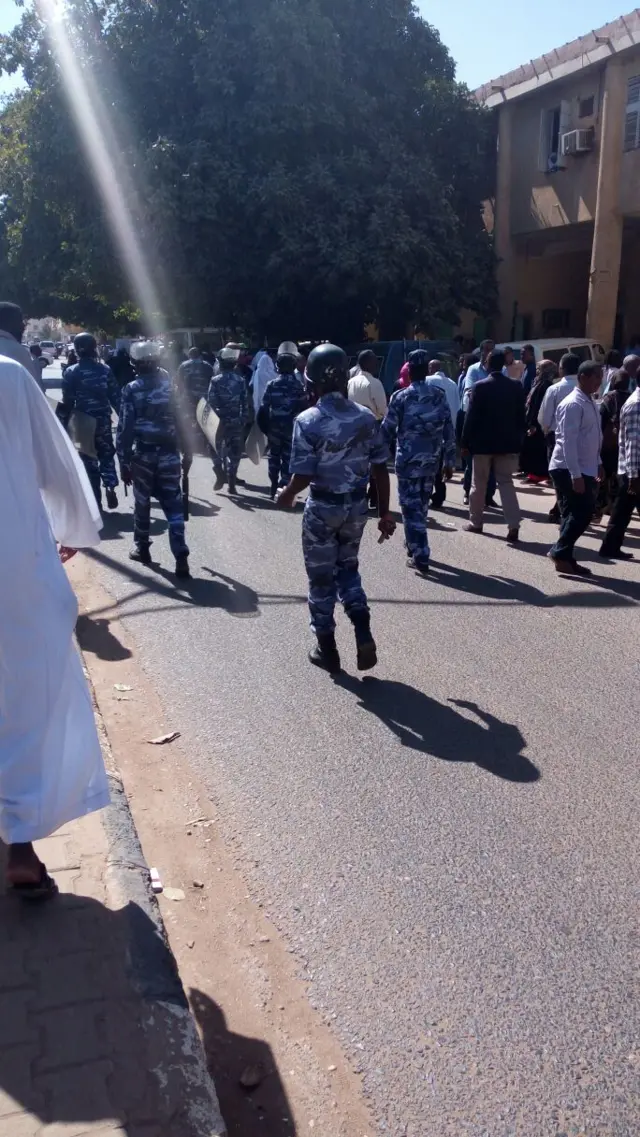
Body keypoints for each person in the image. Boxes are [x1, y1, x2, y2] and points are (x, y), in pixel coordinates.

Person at [0, 353, 109, 897]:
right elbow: (56, 466)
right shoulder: (9, 376)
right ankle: (20, 845)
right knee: (26, 699)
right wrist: (71, 528)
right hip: (13, 568)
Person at [278, 343, 395, 673]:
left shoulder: (307, 420)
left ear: (312, 382)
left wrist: (287, 494)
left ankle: (327, 649)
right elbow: (380, 469)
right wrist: (384, 512)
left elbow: (304, 474)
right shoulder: (366, 418)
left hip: (322, 509)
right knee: (348, 569)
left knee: (320, 579)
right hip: (356, 508)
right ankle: (362, 629)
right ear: (345, 377)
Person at [116, 340, 192, 577]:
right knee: (174, 506)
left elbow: (125, 428)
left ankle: (142, 548)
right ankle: (180, 555)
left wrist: (123, 462)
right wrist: (188, 452)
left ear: (135, 364)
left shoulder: (131, 389)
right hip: (169, 455)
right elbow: (183, 422)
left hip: (143, 457)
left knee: (142, 503)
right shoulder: (171, 388)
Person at [382, 349, 455, 573]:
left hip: (408, 462)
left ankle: (421, 554)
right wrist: (449, 460)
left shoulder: (401, 396)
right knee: (420, 506)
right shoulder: (439, 394)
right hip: (431, 460)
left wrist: (375, 454)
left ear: (410, 372)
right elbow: (448, 428)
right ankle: (412, 543)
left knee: (409, 508)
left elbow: (387, 430)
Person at [462, 348, 526, 544]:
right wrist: (518, 441)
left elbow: (470, 418)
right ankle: (514, 525)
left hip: (482, 445)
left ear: (488, 365)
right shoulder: (516, 387)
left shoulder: (480, 387)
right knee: (506, 483)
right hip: (507, 444)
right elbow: (520, 417)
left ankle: (476, 522)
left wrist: (464, 442)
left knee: (478, 485)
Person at [548, 360, 603, 576]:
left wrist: (598, 463)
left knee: (572, 514)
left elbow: (592, 436)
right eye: (595, 377)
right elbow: (568, 442)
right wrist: (575, 475)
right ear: (582, 377)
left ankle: (566, 559)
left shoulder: (590, 402)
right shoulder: (573, 404)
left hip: (586, 467)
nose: (599, 381)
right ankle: (560, 551)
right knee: (583, 512)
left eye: (600, 376)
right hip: (569, 468)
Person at [57, 332, 122, 511]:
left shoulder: (71, 372)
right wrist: (124, 420)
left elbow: (67, 401)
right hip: (103, 420)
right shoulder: (105, 370)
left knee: (88, 460)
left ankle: (95, 501)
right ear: (95, 348)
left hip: (82, 423)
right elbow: (116, 397)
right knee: (107, 454)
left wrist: (62, 425)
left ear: (77, 349)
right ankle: (110, 485)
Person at [257, 341, 308, 499]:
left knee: (274, 456)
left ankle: (273, 484)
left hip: (274, 427)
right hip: (291, 429)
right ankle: (283, 484)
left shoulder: (271, 385)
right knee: (288, 457)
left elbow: (264, 408)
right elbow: (303, 408)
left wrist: (265, 428)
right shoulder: (299, 386)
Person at [598, 376, 639, 560]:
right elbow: (634, 443)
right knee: (621, 512)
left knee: (621, 512)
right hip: (634, 471)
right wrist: (633, 477)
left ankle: (609, 548)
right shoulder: (635, 405)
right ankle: (609, 548)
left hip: (632, 471)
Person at [537, 353, 581, 519]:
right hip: (580, 437)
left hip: (556, 437)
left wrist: (546, 430)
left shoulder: (554, 389)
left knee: (558, 473)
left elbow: (544, 417)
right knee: (575, 473)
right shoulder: (586, 387)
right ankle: (563, 506)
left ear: (561, 369)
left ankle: (562, 507)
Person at [208, 344, 248, 494]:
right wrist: (243, 418)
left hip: (219, 422)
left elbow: (211, 402)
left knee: (213, 447)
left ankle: (219, 470)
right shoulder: (240, 380)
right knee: (235, 452)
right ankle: (231, 483)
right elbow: (245, 402)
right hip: (236, 421)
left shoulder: (215, 381)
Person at [593, 370, 632, 523]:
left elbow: (600, 422)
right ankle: (613, 510)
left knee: (602, 479)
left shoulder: (609, 398)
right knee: (618, 480)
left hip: (608, 447)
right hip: (625, 447)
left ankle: (598, 511)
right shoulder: (631, 397)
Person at [426, 358, 459, 508]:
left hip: (430, 429)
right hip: (448, 429)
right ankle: (439, 495)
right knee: (441, 464)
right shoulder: (452, 384)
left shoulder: (427, 381)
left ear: (430, 368)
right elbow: (458, 407)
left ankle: (426, 494)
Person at [519, 359, 557, 483]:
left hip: (538, 423)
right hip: (532, 421)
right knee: (530, 448)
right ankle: (531, 474)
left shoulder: (546, 385)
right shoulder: (538, 382)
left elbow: (539, 405)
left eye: (539, 369)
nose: (537, 371)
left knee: (537, 450)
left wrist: (534, 424)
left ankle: (539, 475)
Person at [175, 345, 214, 447]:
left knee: (187, 419)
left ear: (189, 355)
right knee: (205, 420)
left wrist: (179, 395)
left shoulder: (183, 366)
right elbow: (212, 381)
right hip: (204, 398)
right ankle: (206, 442)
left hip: (188, 398)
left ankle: (188, 443)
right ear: (199, 355)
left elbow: (178, 382)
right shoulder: (207, 366)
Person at [0, 301, 43, 385]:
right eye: (20, 321)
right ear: (8, 323)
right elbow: (32, 391)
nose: (24, 326)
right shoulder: (16, 352)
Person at [348, 350, 388, 421]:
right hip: (372, 425)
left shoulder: (350, 382)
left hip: (353, 424)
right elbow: (382, 410)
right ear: (369, 364)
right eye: (374, 362)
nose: (377, 364)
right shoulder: (375, 383)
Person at [462, 339, 494, 412]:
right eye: (487, 350)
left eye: (492, 350)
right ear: (481, 351)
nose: (490, 352)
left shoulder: (502, 368)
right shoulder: (473, 369)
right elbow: (470, 391)